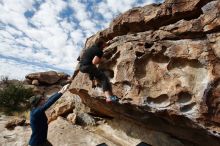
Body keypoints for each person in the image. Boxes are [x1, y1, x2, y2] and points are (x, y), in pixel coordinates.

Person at [79, 38, 118, 102]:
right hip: (88, 66)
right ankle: (109, 97)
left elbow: (91, 67)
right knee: (103, 78)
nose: (105, 45)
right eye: (104, 44)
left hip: (81, 67)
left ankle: (93, 83)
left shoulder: (91, 49)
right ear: (102, 45)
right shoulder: (99, 51)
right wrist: (102, 60)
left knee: (92, 70)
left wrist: (93, 83)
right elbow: (94, 62)